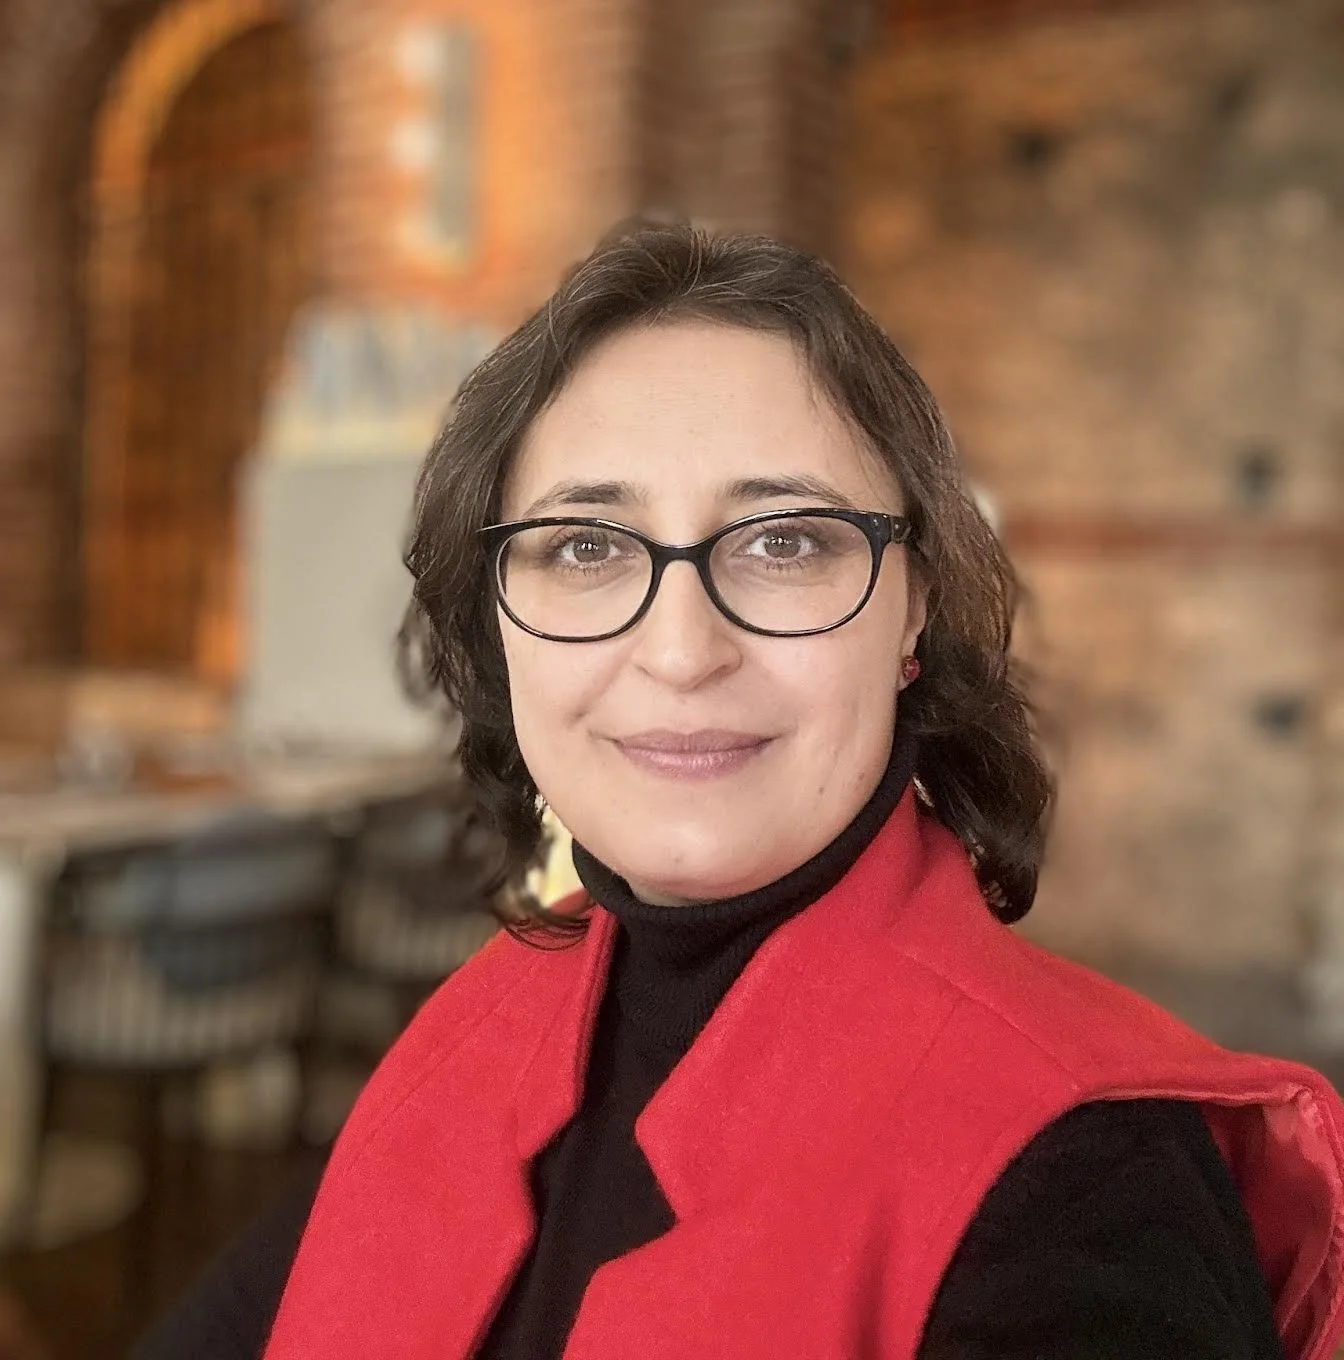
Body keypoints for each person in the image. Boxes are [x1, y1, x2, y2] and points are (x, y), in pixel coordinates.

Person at [138, 222, 1344, 1360]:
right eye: (585, 546)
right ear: (499, 624)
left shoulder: (1087, 1180)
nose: (680, 650)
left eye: (784, 541)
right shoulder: (477, 1024)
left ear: (914, 604)